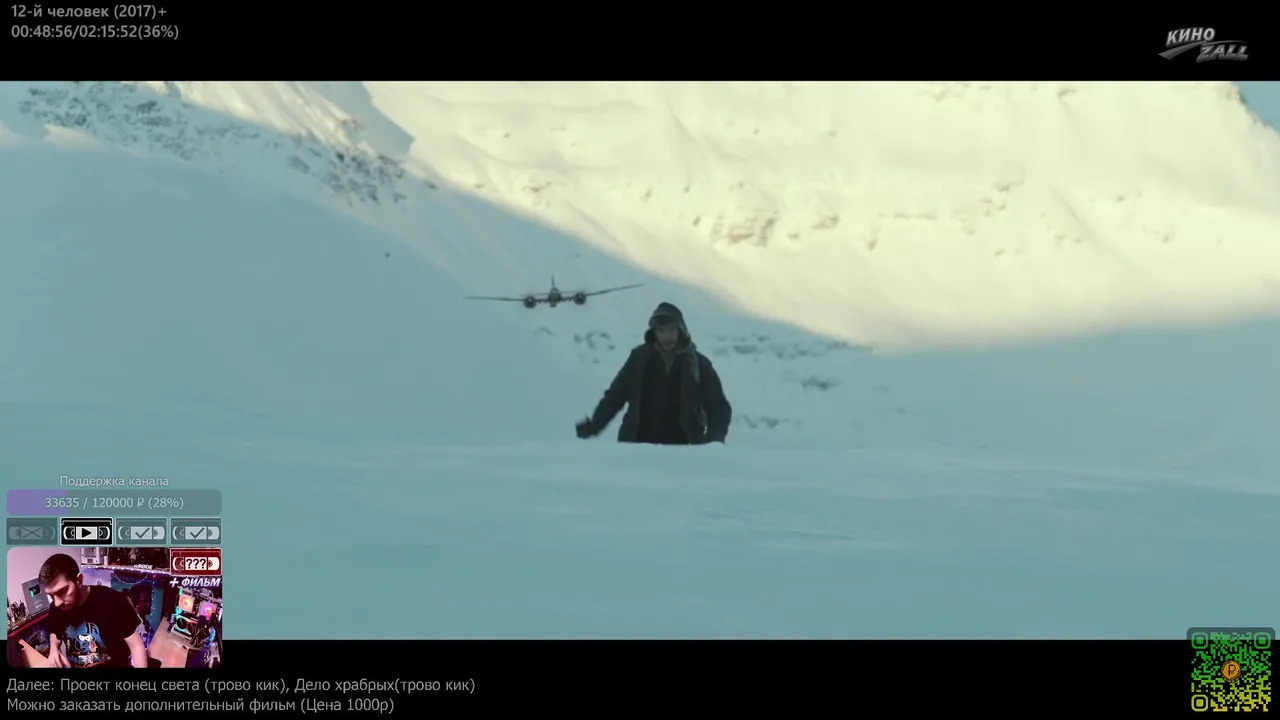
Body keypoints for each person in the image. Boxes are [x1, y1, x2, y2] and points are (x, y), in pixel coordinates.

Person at [576, 302, 731, 445]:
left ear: (681, 330)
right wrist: (594, 426)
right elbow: (615, 396)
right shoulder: (639, 358)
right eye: (661, 331)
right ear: (655, 333)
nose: (666, 337)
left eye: (671, 330)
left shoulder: (699, 364)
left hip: (683, 449)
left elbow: (718, 407)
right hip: (637, 446)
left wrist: (713, 441)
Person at [20, 553, 148, 668]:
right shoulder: (56, 607)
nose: (57, 602)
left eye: (62, 591)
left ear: (79, 580)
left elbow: (136, 646)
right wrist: (54, 649)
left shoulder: (112, 600)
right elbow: (55, 632)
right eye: (51, 595)